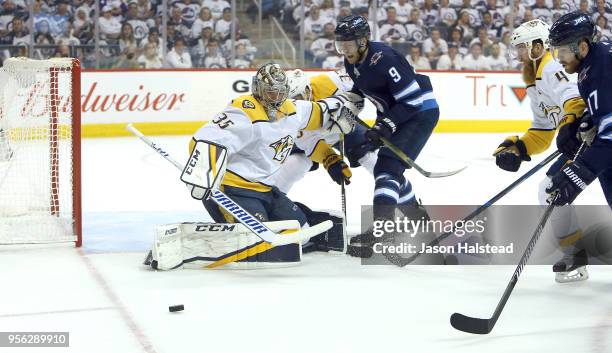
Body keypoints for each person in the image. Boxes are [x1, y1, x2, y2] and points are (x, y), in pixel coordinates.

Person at [188, 63, 357, 257]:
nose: (276, 98)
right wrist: (202, 175)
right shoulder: (243, 110)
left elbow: (321, 111)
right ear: (258, 89)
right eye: (270, 93)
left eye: (280, 92)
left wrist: (345, 109)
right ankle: (206, 242)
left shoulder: (292, 109)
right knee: (257, 241)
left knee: (301, 235)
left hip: (266, 189)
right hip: (233, 190)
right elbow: (203, 140)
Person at [334, 15, 439, 253]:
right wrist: (348, 105)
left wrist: (386, 125)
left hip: (420, 113)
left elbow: (413, 100)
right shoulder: (351, 61)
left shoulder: (386, 59)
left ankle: (383, 231)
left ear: (363, 41)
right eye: (341, 44)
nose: (344, 49)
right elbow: (361, 87)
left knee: (387, 168)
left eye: (348, 44)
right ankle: (417, 217)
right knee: (390, 171)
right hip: (395, 113)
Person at [494, 19, 589, 283]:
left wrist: (570, 126)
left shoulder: (551, 67)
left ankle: (575, 256)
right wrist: (519, 148)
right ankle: (575, 256)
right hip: (582, 138)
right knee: (551, 189)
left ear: (538, 45)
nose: (518, 55)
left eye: (522, 48)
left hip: (591, 137)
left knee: (551, 189)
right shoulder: (533, 77)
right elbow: (543, 129)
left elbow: (575, 100)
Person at [547, 14, 612, 209]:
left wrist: (580, 173)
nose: (559, 58)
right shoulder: (594, 63)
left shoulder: (601, 69)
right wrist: (590, 120)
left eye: (563, 51)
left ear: (582, 47)